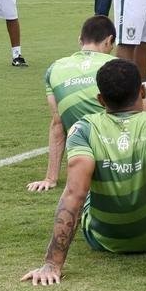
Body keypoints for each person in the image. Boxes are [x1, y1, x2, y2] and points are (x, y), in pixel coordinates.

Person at [22, 58, 146, 285]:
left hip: (102, 239)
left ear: (100, 99)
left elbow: (74, 194)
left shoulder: (83, 128)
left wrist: (52, 264)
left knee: (85, 186)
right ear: (142, 91)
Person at [27, 15, 118, 192]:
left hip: (82, 162)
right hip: (120, 161)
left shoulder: (55, 68)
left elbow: (57, 123)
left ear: (80, 41)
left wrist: (50, 178)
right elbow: (142, 118)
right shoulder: (116, 66)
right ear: (109, 41)